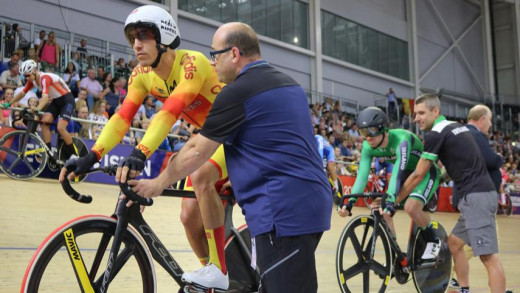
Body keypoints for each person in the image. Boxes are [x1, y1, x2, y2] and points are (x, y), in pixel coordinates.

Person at [125, 22, 332, 293]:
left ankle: (217, 270)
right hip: (310, 203)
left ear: (234, 54)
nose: (212, 63)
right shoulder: (290, 85)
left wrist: (157, 183)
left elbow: (197, 150)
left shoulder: (238, 92)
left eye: (215, 54)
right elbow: (277, 142)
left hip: (281, 212)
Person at [60, 5, 230, 291]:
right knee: (188, 217)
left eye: (144, 35)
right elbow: (122, 118)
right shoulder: (141, 74)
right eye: (132, 37)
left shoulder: (193, 62)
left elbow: (170, 111)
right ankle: (211, 281)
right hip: (206, 138)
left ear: (163, 37)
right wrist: (91, 155)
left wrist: (140, 153)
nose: (136, 43)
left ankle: (219, 271)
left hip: (234, 135)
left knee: (201, 178)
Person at [404, 93, 506, 293]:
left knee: (488, 257)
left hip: (477, 198)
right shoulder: (454, 127)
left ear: (436, 111)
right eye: (415, 114)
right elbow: (458, 163)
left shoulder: (437, 133)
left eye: (421, 113)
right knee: (454, 244)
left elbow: (418, 174)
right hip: (475, 197)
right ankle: (463, 289)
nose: (416, 118)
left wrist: (395, 198)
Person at [338, 107, 441, 260]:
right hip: (406, 174)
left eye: (371, 131)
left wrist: (391, 200)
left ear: (384, 129)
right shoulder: (368, 146)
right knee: (382, 210)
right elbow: (362, 177)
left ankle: (433, 240)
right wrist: (350, 201)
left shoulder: (401, 140)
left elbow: (397, 174)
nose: (368, 137)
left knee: (411, 207)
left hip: (424, 173)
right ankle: (397, 257)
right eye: (363, 132)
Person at [5, 60, 78, 162]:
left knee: (60, 128)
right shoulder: (32, 80)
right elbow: (22, 93)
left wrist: (37, 109)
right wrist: (9, 103)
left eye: (27, 75)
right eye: (24, 76)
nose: (26, 78)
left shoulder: (44, 78)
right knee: (44, 123)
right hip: (57, 101)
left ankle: (74, 155)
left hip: (67, 100)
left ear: (34, 71)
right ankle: (48, 153)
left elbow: (44, 98)